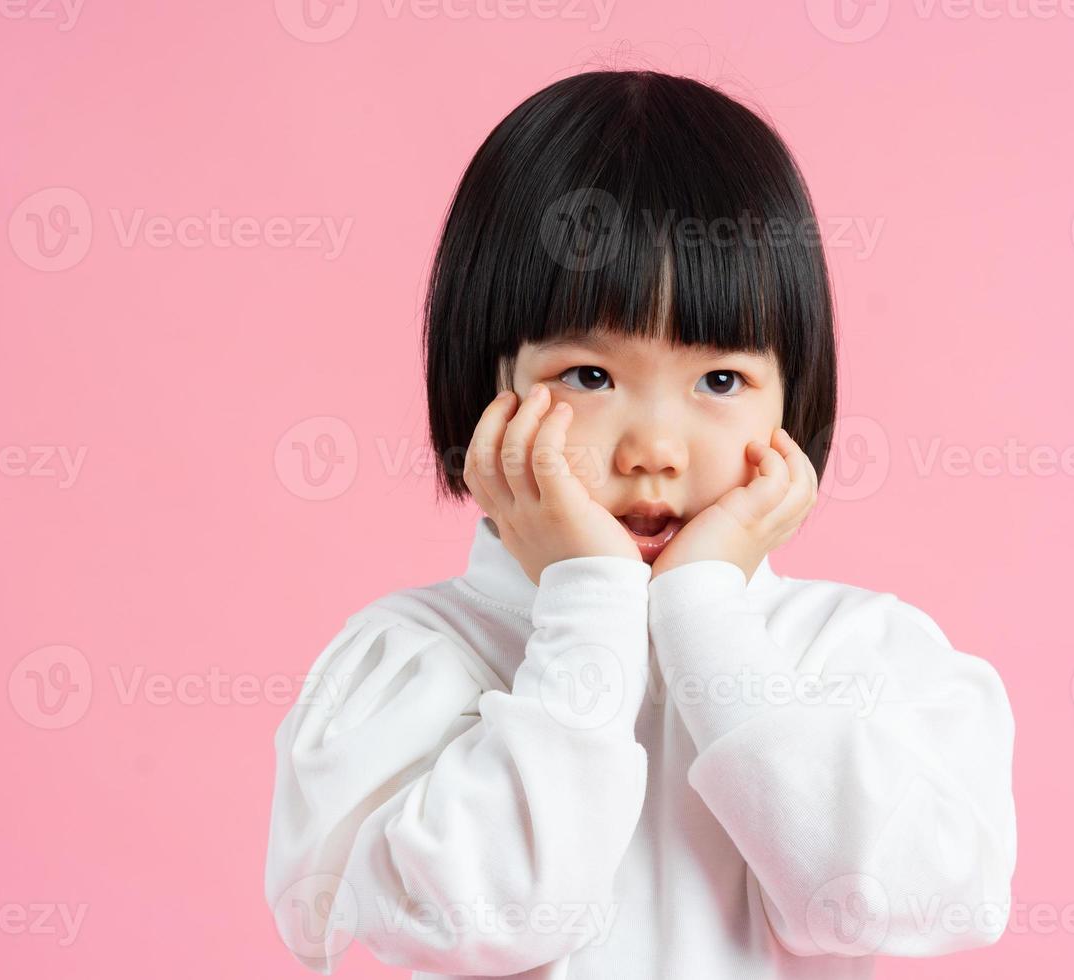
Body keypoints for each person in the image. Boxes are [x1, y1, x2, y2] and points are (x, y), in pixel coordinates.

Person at [263, 68, 1016, 979]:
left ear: (794, 399)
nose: (654, 448)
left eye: (722, 381)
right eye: (589, 376)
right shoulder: (418, 655)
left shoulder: (854, 654)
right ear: (484, 386)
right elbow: (481, 917)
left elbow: (904, 895)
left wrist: (705, 610)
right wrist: (590, 603)